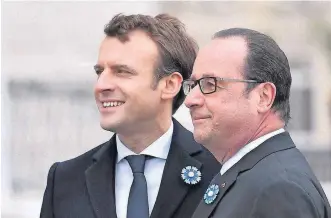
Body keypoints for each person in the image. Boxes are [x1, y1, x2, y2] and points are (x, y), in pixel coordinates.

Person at [39, 13, 220, 218]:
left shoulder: (220, 171)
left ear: (170, 85)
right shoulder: (65, 180)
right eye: (100, 72)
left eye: (122, 72)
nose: (101, 86)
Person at [182, 28, 331, 218]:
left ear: (263, 97)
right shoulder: (250, 174)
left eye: (210, 84)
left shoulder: (279, 189)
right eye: (193, 85)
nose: (190, 100)